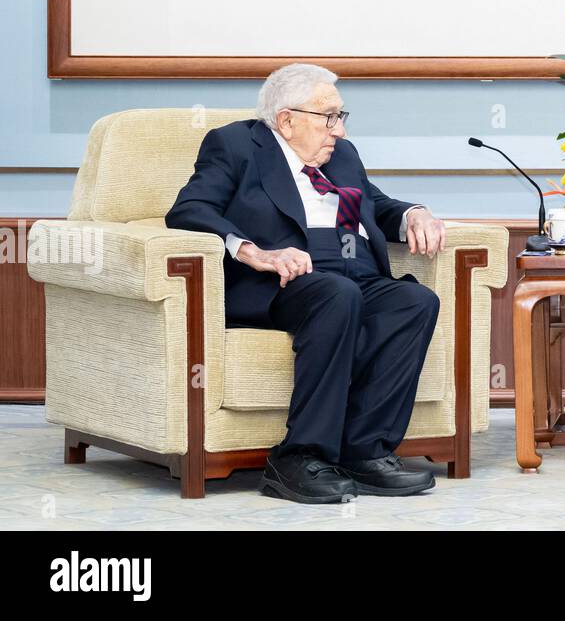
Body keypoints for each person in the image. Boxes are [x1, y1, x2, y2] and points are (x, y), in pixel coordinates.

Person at [166, 63, 450, 504]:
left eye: (341, 116)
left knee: (414, 301)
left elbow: (373, 204)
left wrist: (415, 213)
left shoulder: (343, 155)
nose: (338, 129)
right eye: (328, 117)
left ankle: (365, 450)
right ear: (286, 120)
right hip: (287, 277)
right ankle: (298, 457)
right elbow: (189, 210)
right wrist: (253, 251)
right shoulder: (236, 144)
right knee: (337, 295)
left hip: (354, 270)